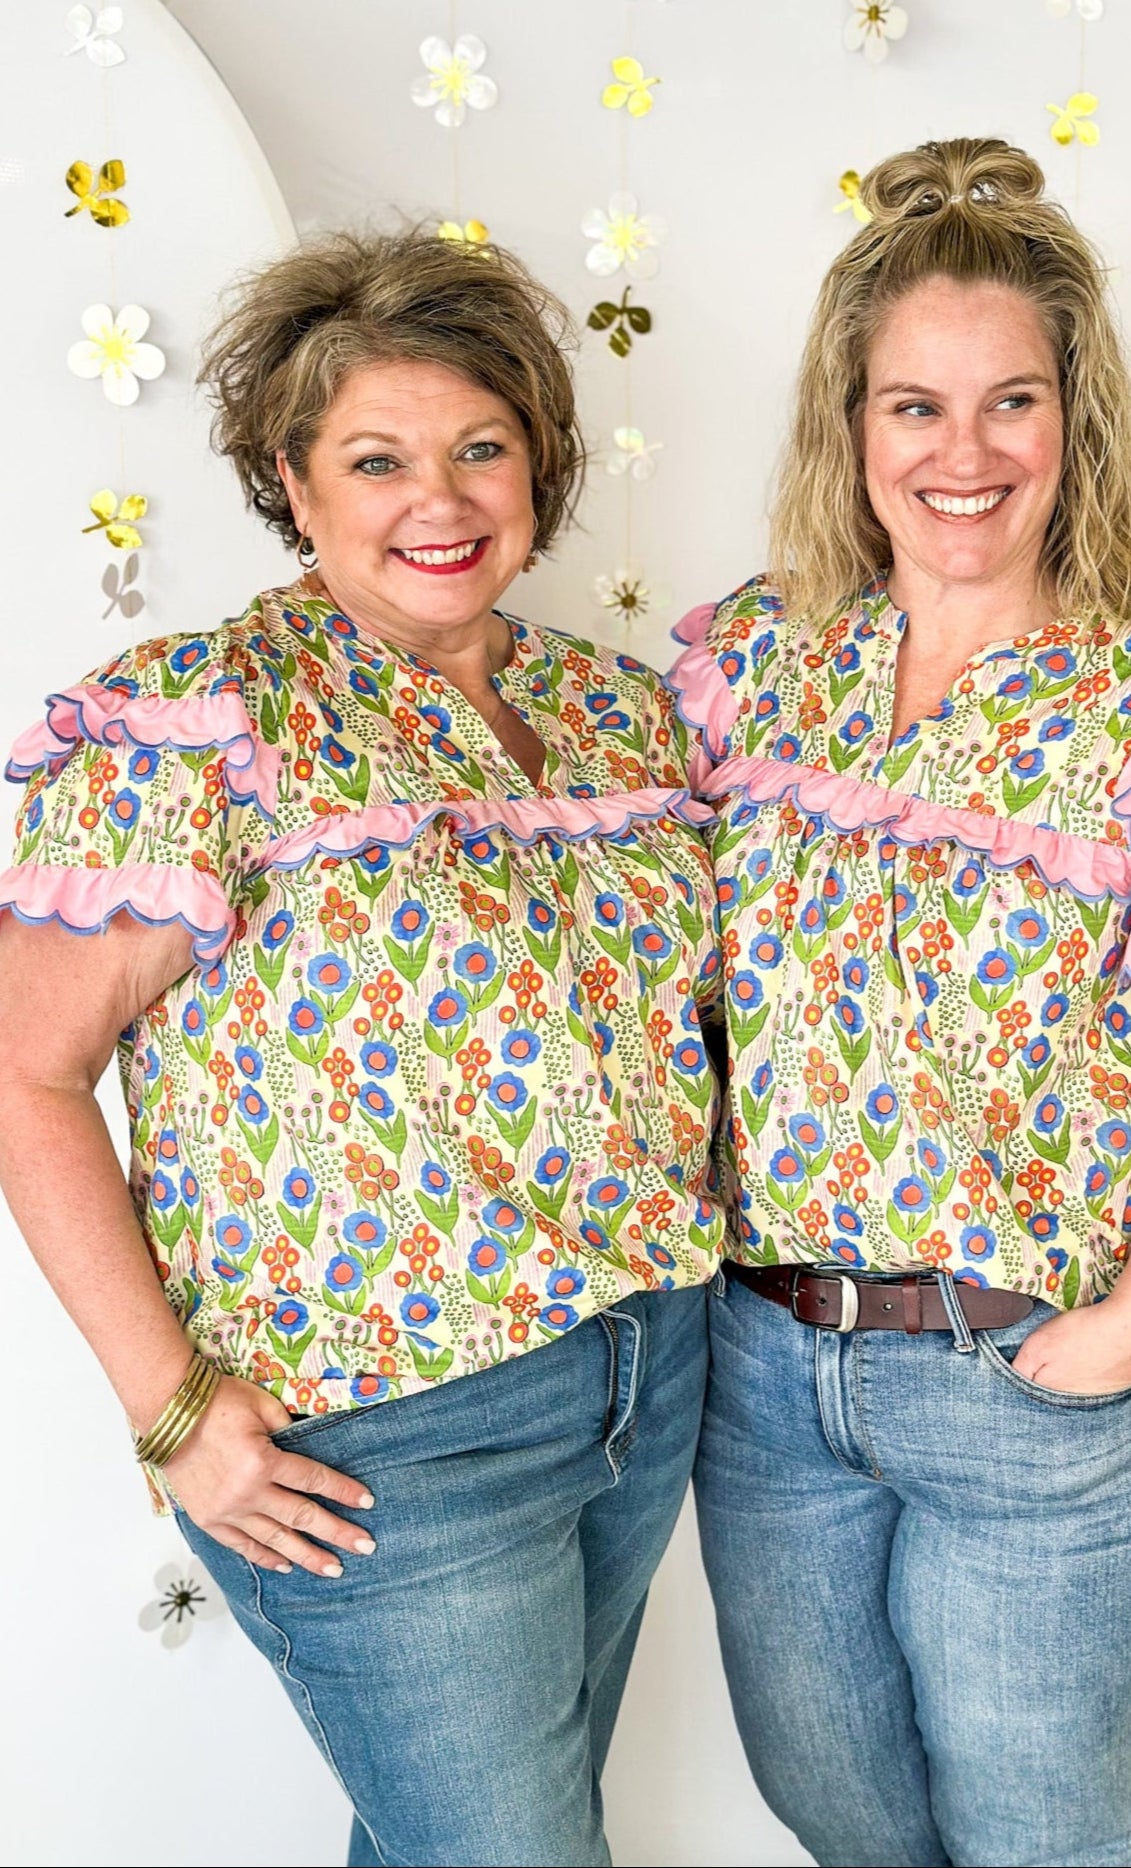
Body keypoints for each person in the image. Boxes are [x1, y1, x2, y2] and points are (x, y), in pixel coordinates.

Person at [0, 230, 725, 1868]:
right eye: (377, 458)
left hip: (644, 1370)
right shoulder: (200, 721)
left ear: (538, 463)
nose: (441, 499)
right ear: (293, 479)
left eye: (481, 447)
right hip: (380, 1433)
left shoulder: (621, 716)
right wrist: (170, 1409)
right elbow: (22, 1071)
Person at [669, 137, 1131, 1868]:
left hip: (1051, 1386)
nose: (960, 456)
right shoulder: (757, 664)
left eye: (1009, 402)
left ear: (1073, 422)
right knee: (840, 1813)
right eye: (913, 408)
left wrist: (1125, 1333)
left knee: (1037, 1842)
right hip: (771, 1376)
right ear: (851, 426)